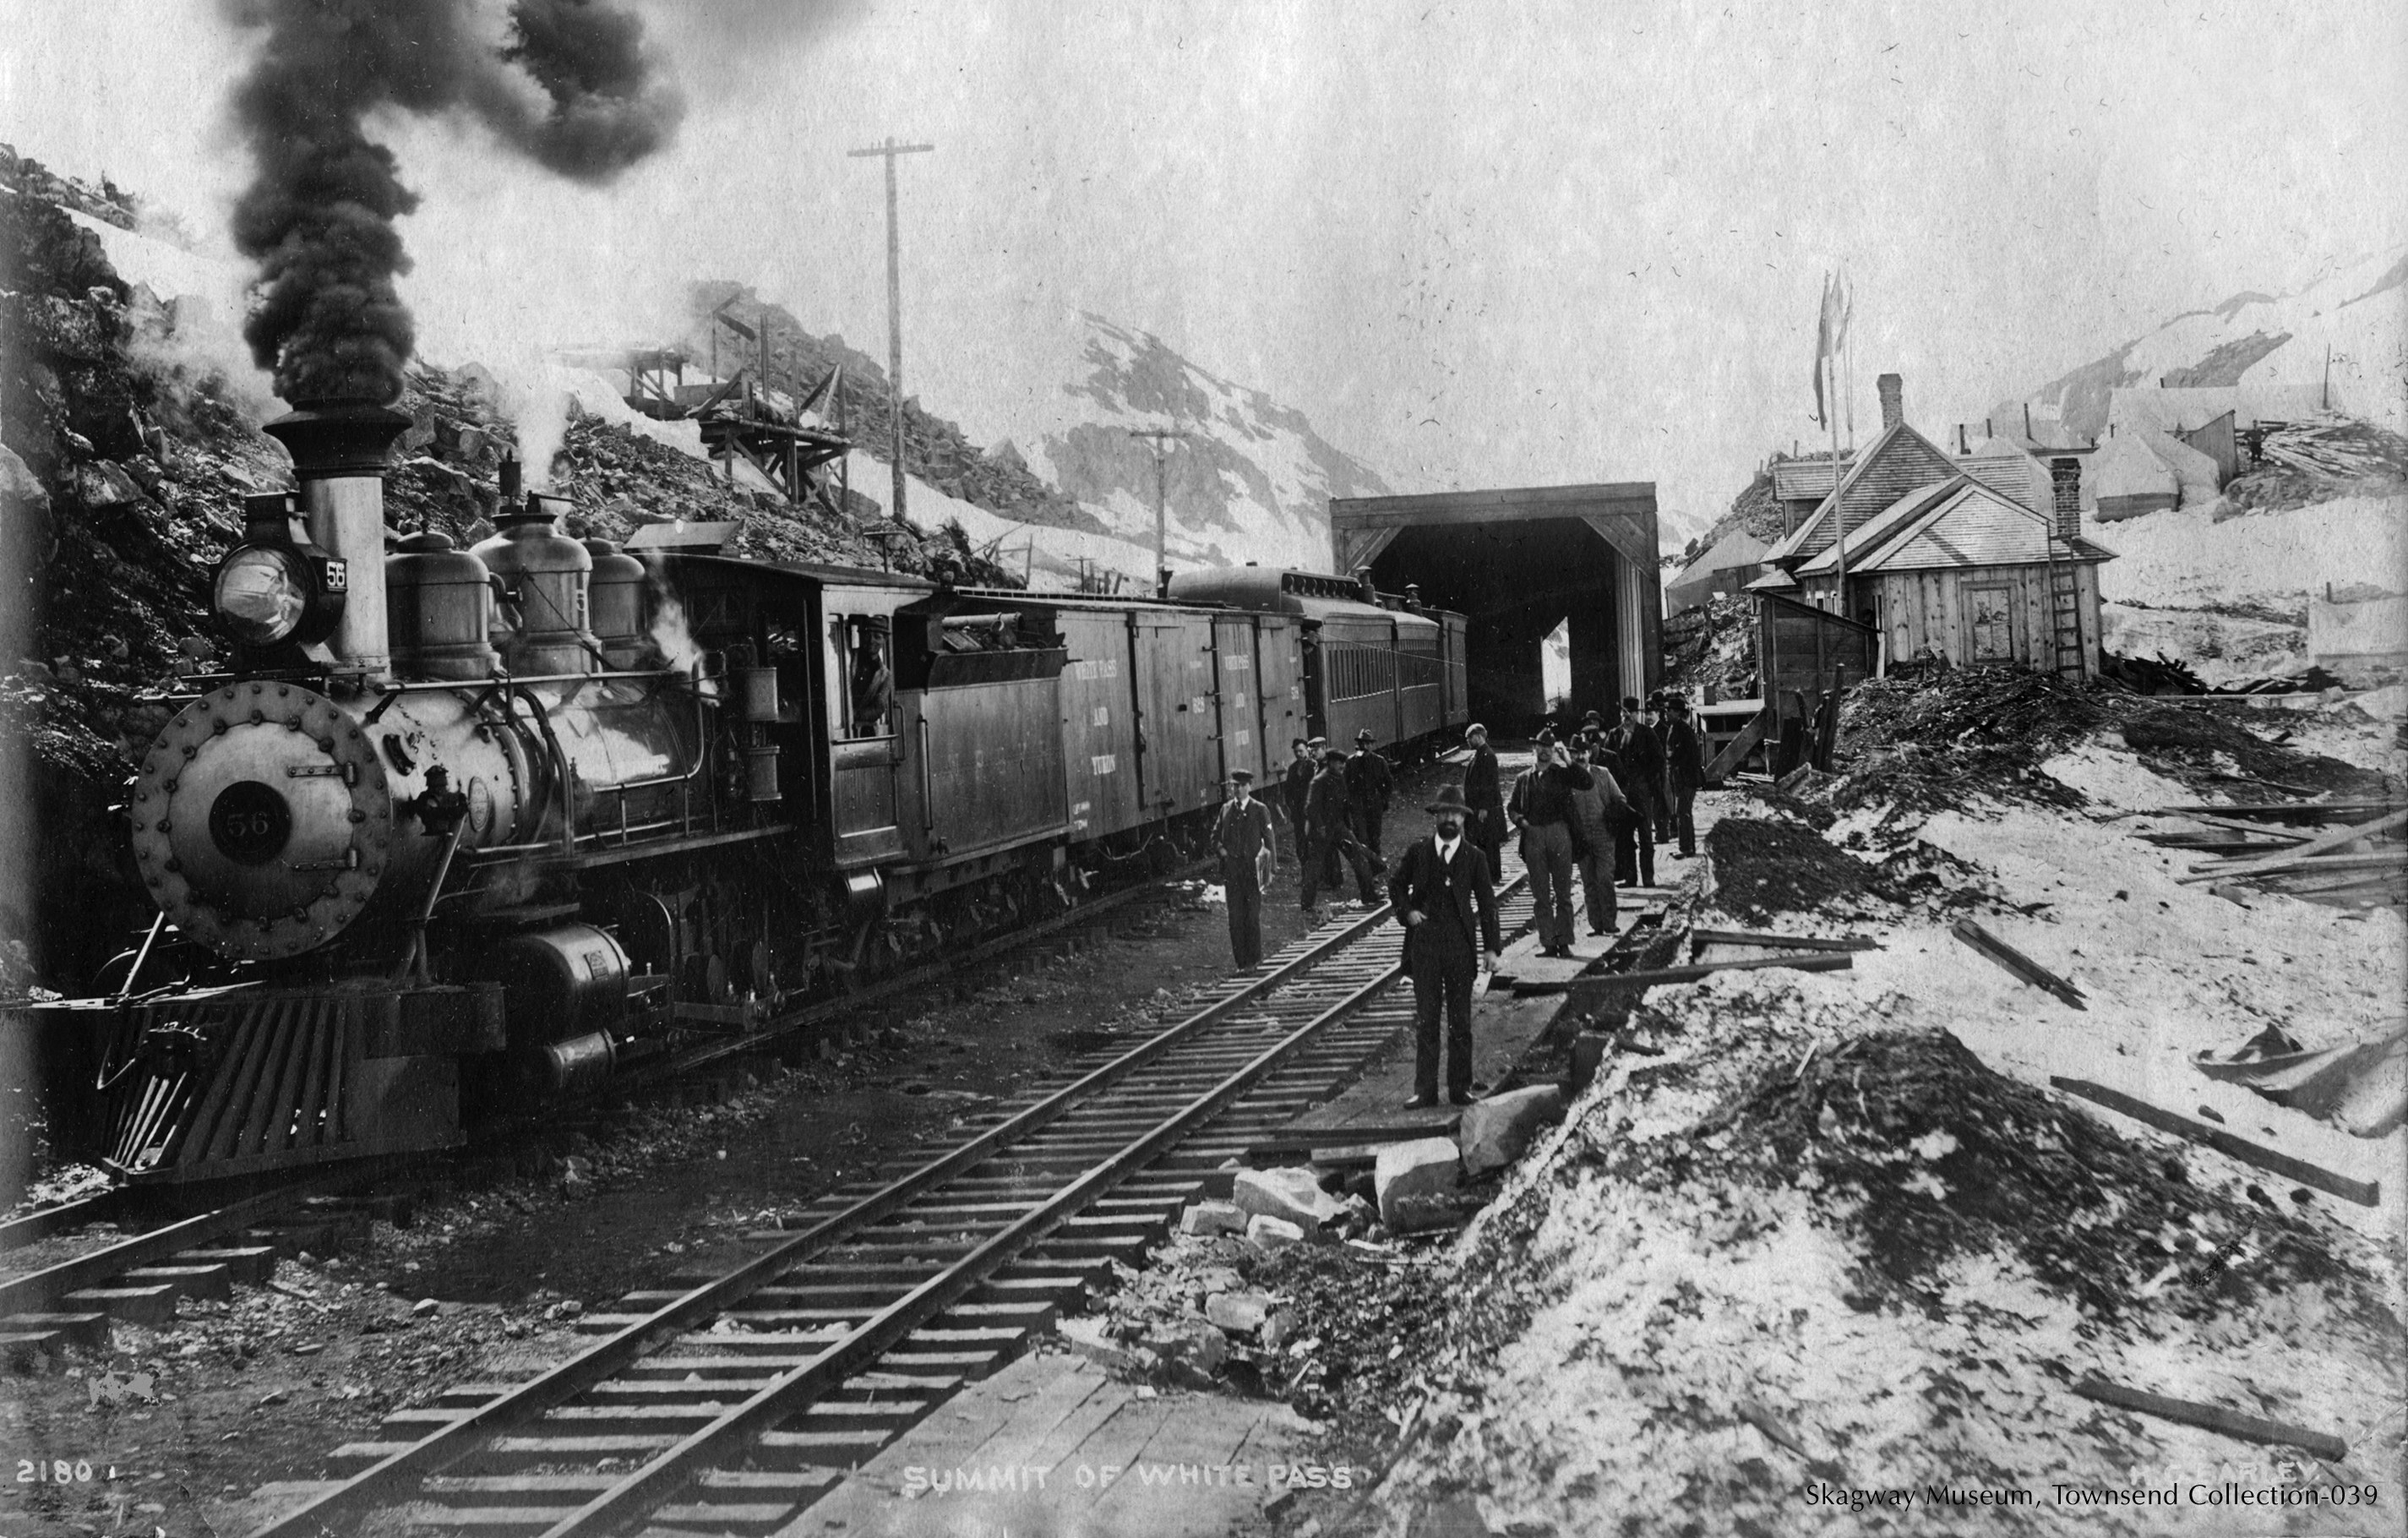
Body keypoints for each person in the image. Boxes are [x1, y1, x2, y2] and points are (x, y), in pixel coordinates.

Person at [1387, 784, 1502, 1109]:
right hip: (1425, 947)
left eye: (1456, 814)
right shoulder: (1419, 853)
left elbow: (1488, 904)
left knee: (1460, 1022)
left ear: (1464, 819)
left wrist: (1491, 948)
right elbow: (1395, 884)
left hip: (1459, 948)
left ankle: (1460, 1089)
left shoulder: (1475, 857)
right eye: (1444, 813)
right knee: (1427, 1020)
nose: (1450, 819)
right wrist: (1407, 912)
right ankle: (1424, 1091)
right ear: (1435, 817)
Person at [1506, 730, 1593, 957]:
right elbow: (1512, 807)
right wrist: (1521, 821)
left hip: (1559, 834)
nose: (1544, 751)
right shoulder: (1524, 778)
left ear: (1554, 750)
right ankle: (1548, 943)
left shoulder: (1562, 774)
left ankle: (1564, 942)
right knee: (1540, 894)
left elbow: (1587, 782)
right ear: (1534, 748)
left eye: (1549, 747)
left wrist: (1569, 760)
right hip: (1533, 836)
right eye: (1540, 746)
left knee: (1563, 892)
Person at [1301, 739, 1381, 917]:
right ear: (1330, 763)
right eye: (1339, 762)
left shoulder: (1338, 778)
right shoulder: (1319, 781)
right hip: (1322, 830)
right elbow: (1310, 808)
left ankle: (1369, 895)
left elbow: (1344, 804)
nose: (1343, 765)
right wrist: (1320, 827)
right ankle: (1306, 904)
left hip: (1338, 827)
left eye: (1343, 762)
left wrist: (1347, 826)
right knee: (1314, 867)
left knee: (1358, 857)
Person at [1212, 769, 1278, 969]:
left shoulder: (1260, 809)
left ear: (1249, 786)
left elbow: (1270, 840)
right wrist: (1221, 850)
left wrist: (1271, 869)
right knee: (1235, 919)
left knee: (1252, 917)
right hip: (1232, 873)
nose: (1237, 790)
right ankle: (1241, 963)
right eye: (1234, 786)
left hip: (1253, 873)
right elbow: (1214, 836)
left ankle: (1254, 960)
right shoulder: (1225, 809)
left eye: (1241, 786)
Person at [1564, 738, 1626, 935]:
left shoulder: (1603, 774)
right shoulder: (1567, 778)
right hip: (1581, 838)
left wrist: (1612, 818)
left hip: (1603, 835)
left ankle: (1610, 922)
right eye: (1576, 753)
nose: (1580, 757)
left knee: (1605, 879)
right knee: (1589, 883)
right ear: (1570, 755)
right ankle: (1596, 925)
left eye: (1584, 752)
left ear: (1590, 753)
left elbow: (1620, 799)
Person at [1605, 696, 1663, 887]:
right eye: (1624, 713)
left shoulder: (1647, 734)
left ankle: (1648, 876)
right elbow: (1605, 762)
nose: (1627, 717)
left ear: (1637, 714)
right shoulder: (1614, 735)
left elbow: (1659, 761)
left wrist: (1646, 780)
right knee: (1625, 837)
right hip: (1621, 794)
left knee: (1646, 835)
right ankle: (1630, 878)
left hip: (1642, 792)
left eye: (1631, 713)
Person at [1660, 693, 1705, 859]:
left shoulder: (1683, 730)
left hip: (1686, 779)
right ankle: (1687, 847)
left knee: (1683, 812)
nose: (1666, 714)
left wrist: (1673, 761)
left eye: (1669, 711)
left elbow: (1683, 756)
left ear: (1678, 713)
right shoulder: (1676, 728)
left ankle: (1685, 848)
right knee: (1683, 813)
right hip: (1681, 778)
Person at [1343, 728, 1394, 861]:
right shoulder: (1351, 762)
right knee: (1361, 839)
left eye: (1368, 744)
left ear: (1372, 745)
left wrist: (1383, 800)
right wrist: (1350, 803)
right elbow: (1344, 785)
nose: (1365, 747)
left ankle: (1376, 867)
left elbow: (1389, 783)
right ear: (1358, 744)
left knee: (1374, 838)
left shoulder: (1379, 761)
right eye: (1362, 743)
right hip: (1357, 807)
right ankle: (1365, 868)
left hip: (1374, 806)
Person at [1463, 723, 1505, 880]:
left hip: (1485, 809)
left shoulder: (1487, 756)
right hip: (1477, 807)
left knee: (1488, 843)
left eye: (1470, 737)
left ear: (1479, 737)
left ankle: (1492, 876)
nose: (1468, 740)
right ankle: (1487, 876)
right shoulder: (1481, 754)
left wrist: (1484, 808)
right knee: (1482, 842)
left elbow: (1489, 784)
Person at [1280, 738, 1315, 860]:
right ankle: (1305, 869)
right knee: (1301, 846)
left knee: (1313, 844)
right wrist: (1292, 807)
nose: (1298, 754)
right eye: (1296, 752)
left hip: (1312, 813)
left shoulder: (1314, 767)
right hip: (1298, 813)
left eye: (1301, 751)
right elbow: (1288, 791)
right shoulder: (1293, 768)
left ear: (1307, 750)